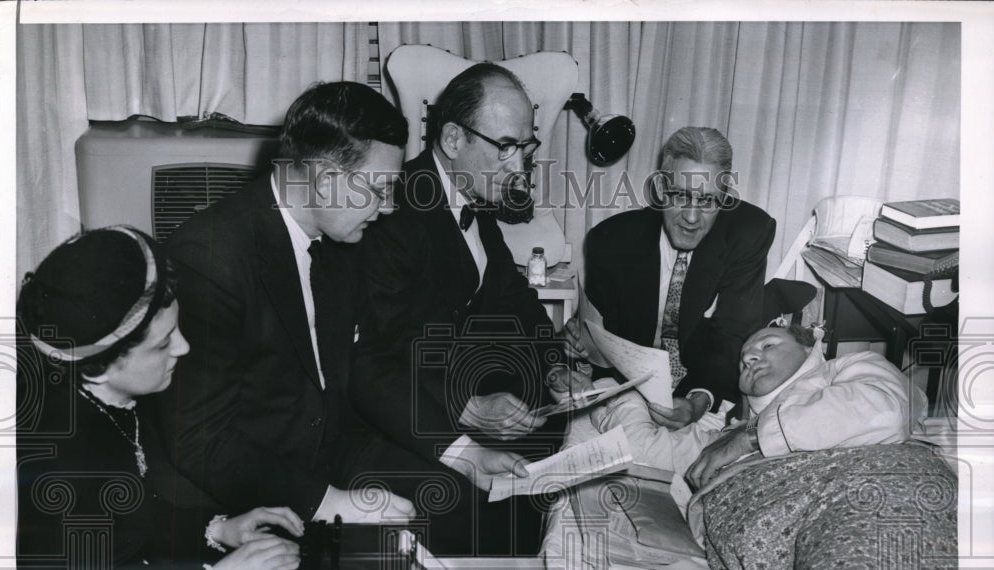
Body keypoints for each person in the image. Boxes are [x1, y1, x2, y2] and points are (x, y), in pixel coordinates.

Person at [15, 227, 347, 570]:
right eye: (162, 343)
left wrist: (217, 528)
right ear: (98, 363)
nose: (184, 349)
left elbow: (132, 512)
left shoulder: (101, 396)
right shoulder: (65, 460)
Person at [152, 81, 417, 524]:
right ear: (328, 180)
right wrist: (326, 502)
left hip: (325, 452)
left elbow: (366, 361)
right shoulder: (210, 259)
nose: (388, 208)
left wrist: (461, 450)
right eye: (379, 190)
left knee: (462, 500)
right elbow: (198, 439)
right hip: (234, 493)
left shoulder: (341, 234)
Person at [344, 63, 572, 501]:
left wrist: (554, 364)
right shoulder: (393, 208)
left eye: (525, 146)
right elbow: (382, 348)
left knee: (554, 440)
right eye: (505, 146)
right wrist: (469, 406)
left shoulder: (470, 196)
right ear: (452, 139)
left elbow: (514, 297)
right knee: (474, 499)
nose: (520, 165)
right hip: (395, 411)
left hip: (446, 388)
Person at [580, 126, 776, 431]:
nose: (692, 217)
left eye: (708, 201)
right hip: (629, 386)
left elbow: (734, 332)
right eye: (680, 196)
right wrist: (575, 352)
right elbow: (602, 338)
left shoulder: (748, 233)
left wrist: (698, 400)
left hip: (704, 388)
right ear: (660, 189)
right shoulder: (609, 241)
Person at [591, 322, 927, 491]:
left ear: (808, 349)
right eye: (742, 360)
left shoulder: (847, 368)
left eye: (769, 345)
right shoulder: (721, 436)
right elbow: (638, 450)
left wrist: (751, 437)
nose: (750, 356)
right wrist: (616, 390)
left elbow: (887, 410)